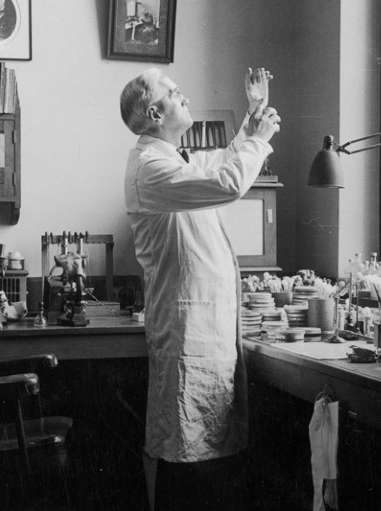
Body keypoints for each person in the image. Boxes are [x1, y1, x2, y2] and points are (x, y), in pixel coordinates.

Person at [120, 67, 280, 510]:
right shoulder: (151, 169)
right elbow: (229, 182)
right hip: (189, 333)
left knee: (209, 459)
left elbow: (224, 159)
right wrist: (260, 140)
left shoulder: (174, 158)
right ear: (155, 112)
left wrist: (252, 117)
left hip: (205, 331)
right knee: (187, 460)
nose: (183, 94)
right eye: (173, 92)